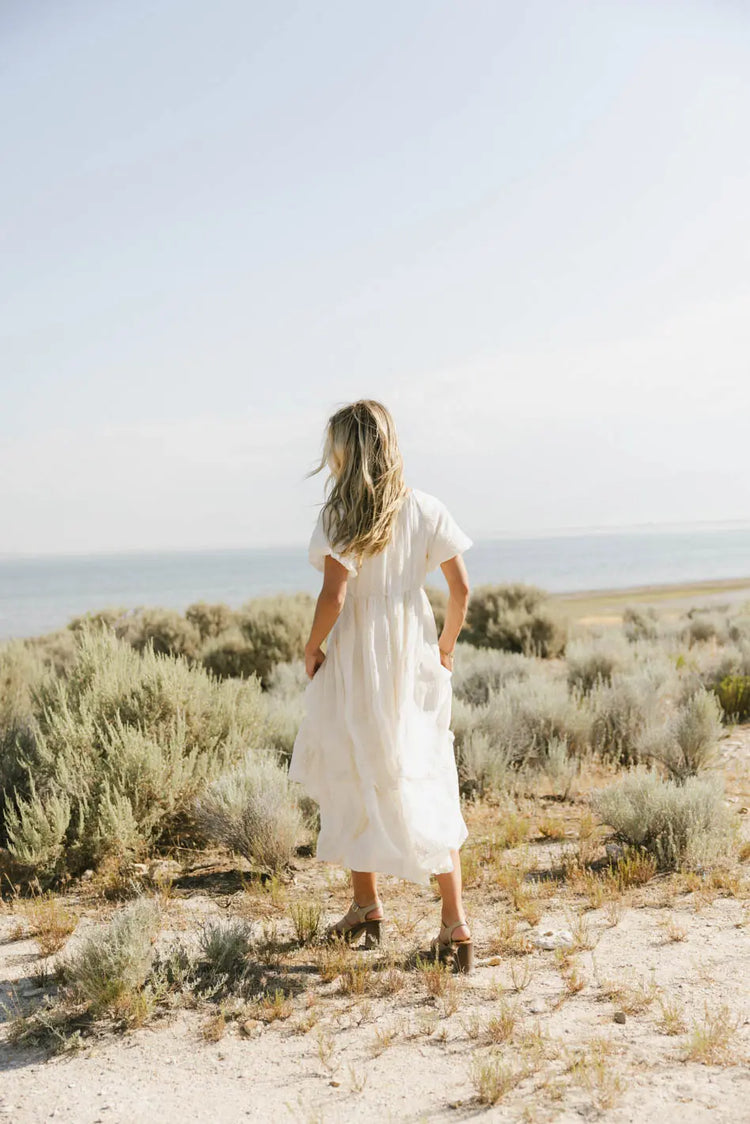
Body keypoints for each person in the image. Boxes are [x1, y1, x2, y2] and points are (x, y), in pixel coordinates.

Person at [288, 399, 474, 972]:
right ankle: (454, 923)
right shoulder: (425, 508)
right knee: (425, 772)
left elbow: (335, 596)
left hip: (356, 657)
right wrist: (442, 650)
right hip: (412, 653)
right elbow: (461, 591)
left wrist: (311, 646)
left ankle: (367, 905)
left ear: (345, 450)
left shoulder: (342, 515)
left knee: (354, 766)